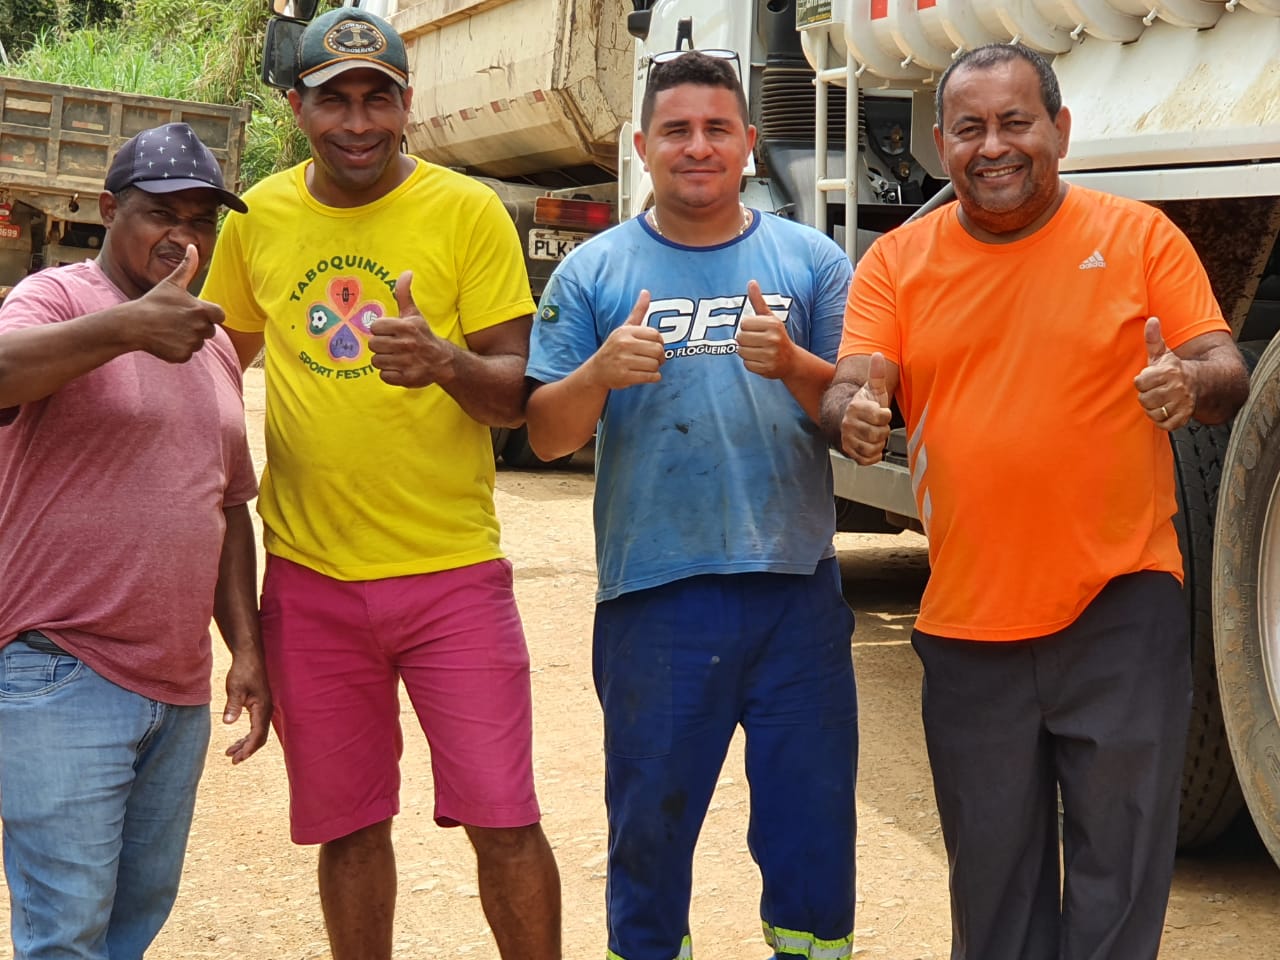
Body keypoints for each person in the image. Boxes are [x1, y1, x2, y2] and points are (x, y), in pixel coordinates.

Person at [823, 43, 1250, 960]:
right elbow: (858, 375)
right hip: (971, 625)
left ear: (1060, 129)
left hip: (1121, 608)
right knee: (994, 894)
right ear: (939, 145)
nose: (994, 146)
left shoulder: (1140, 238)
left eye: (1015, 122)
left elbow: (1226, 366)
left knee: (1118, 881)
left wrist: (1192, 383)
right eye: (970, 128)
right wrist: (849, 409)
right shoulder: (897, 261)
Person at [198, 7, 561, 959]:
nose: (356, 122)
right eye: (334, 102)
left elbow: (515, 398)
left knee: (505, 819)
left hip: (453, 579)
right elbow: (212, 374)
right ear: (296, 108)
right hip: (311, 586)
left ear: (408, 105)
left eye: (376, 99)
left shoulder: (466, 211)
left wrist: (445, 362)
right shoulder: (261, 218)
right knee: (350, 829)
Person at [524, 49, 858, 960]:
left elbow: (857, 421)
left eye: (718, 129)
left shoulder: (812, 260)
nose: (698, 147)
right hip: (656, 599)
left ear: (751, 143)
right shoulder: (593, 272)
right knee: (651, 836)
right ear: (642, 145)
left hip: (798, 594)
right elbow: (546, 436)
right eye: (677, 130)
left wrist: (792, 363)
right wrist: (598, 373)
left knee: (813, 832)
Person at [0, 122, 271, 960]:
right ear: (111, 210)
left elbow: (226, 505)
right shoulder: (57, 297)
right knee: (66, 932)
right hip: (60, 668)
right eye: (163, 214)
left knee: (131, 925)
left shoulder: (213, 342)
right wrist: (127, 328)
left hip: (177, 689)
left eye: (203, 220)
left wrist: (247, 647)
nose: (184, 237)